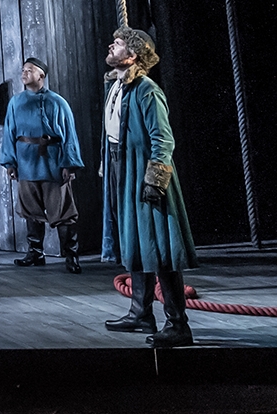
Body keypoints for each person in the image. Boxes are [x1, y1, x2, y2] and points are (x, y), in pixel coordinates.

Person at [101, 26, 197, 348]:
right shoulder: (117, 86)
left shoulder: (146, 90)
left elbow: (163, 139)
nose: (111, 46)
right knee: (134, 241)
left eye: (117, 44)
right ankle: (141, 312)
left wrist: (154, 181)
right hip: (123, 169)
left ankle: (178, 324)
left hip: (144, 172)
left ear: (132, 55)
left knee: (159, 247)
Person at [0, 56, 84, 272]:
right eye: (23, 70)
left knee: (63, 211)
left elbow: (69, 135)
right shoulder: (16, 102)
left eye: (29, 70)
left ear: (41, 75)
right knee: (30, 210)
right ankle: (35, 252)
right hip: (26, 162)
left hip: (52, 163)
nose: (24, 73)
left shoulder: (57, 102)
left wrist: (69, 164)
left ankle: (71, 256)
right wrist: (10, 162)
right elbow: (9, 133)